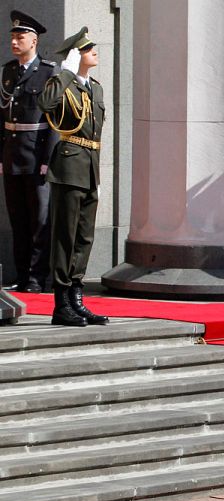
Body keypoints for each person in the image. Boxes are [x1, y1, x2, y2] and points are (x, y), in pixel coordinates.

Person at [38, 27, 107, 327]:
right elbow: (45, 104)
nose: (94, 51)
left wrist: (97, 176)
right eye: (88, 49)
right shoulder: (61, 84)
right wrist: (66, 73)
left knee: (84, 237)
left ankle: (76, 299)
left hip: (90, 168)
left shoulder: (96, 88)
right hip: (68, 168)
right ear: (76, 56)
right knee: (64, 237)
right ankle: (61, 303)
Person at [0, 10, 57, 293]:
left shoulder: (48, 72)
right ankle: (22, 276)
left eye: (20, 37)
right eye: (13, 36)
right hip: (12, 156)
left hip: (36, 157)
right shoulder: (8, 71)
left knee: (39, 221)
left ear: (33, 41)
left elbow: (54, 122)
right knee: (18, 220)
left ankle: (36, 278)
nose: (14, 41)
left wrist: (48, 160)